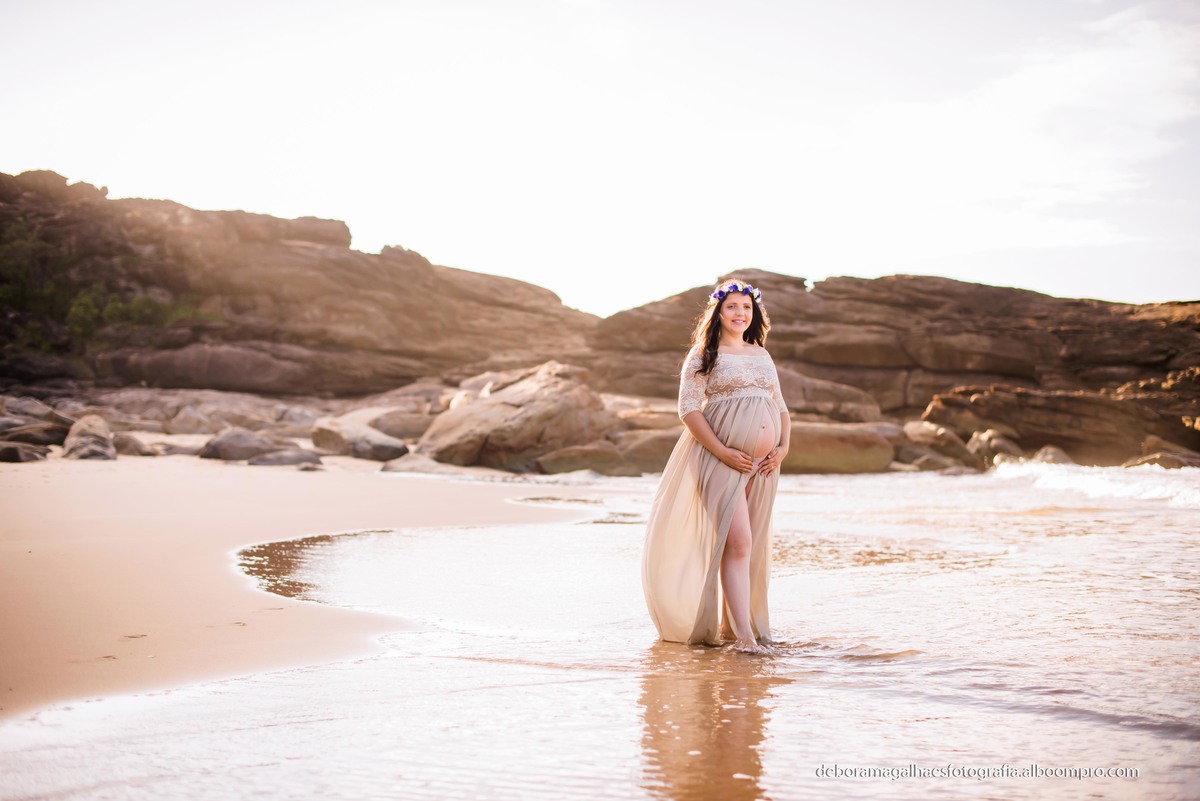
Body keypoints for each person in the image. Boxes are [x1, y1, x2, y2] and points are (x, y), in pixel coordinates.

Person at [642, 278, 790, 654]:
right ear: (718, 312)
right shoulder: (703, 354)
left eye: (746, 307)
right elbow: (688, 410)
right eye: (732, 307)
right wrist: (723, 452)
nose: (740, 313)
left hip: (763, 465)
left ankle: (738, 629)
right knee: (737, 542)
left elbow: (782, 408)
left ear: (754, 312)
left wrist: (783, 447)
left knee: (748, 547)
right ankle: (744, 638)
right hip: (718, 459)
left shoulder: (761, 354)